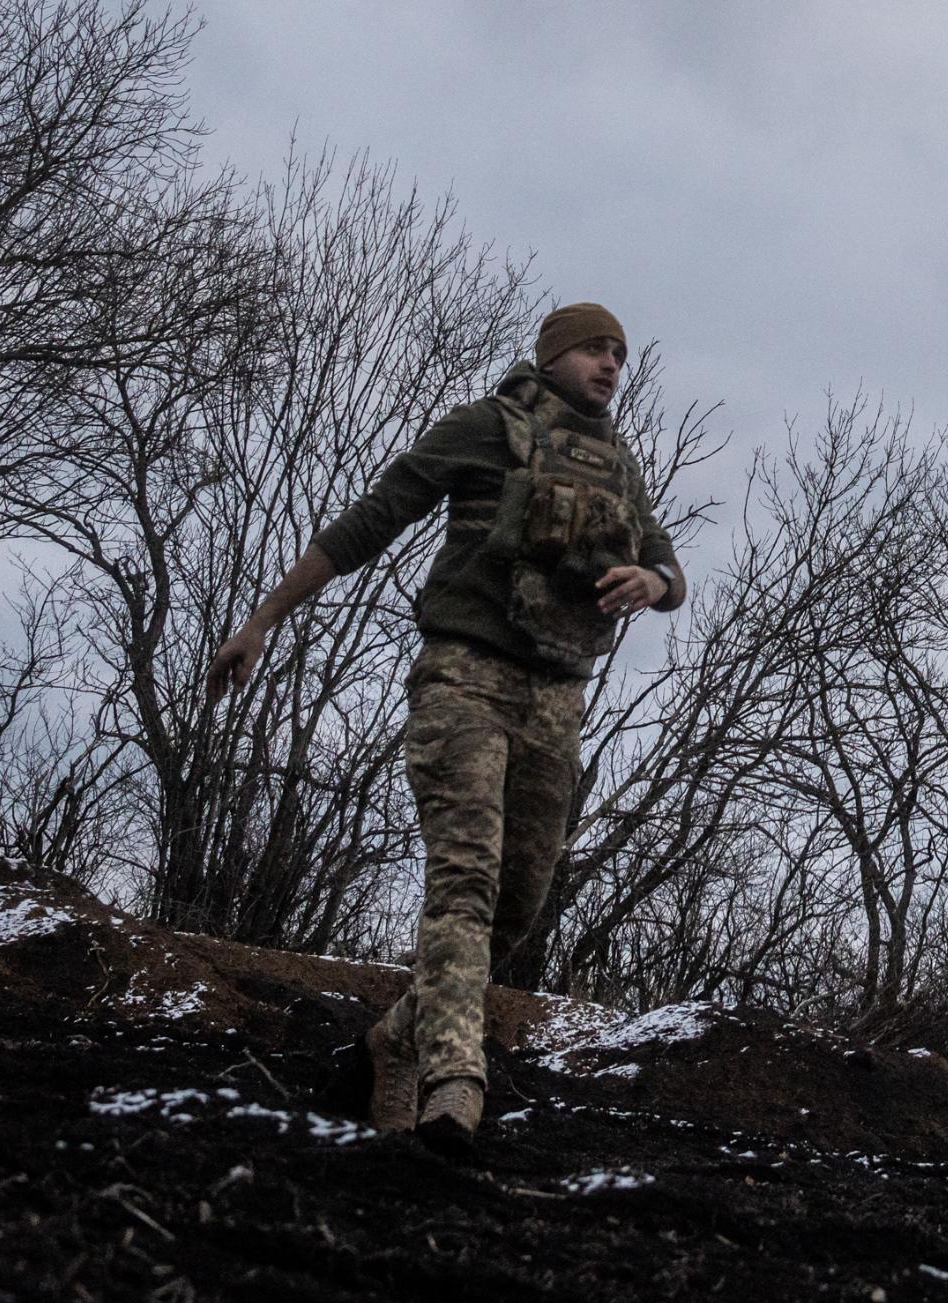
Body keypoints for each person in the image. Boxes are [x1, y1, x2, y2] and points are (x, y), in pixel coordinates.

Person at [208, 300, 682, 1157]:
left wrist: (653, 582)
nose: (611, 363)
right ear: (553, 355)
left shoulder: (618, 462)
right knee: (464, 879)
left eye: (620, 351)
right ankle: (454, 1084)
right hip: (463, 675)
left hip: (557, 698)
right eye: (593, 348)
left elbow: (667, 561)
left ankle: (394, 1039)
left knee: (518, 901)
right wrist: (263, 617)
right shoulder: (484, 427)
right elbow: (373, 516)